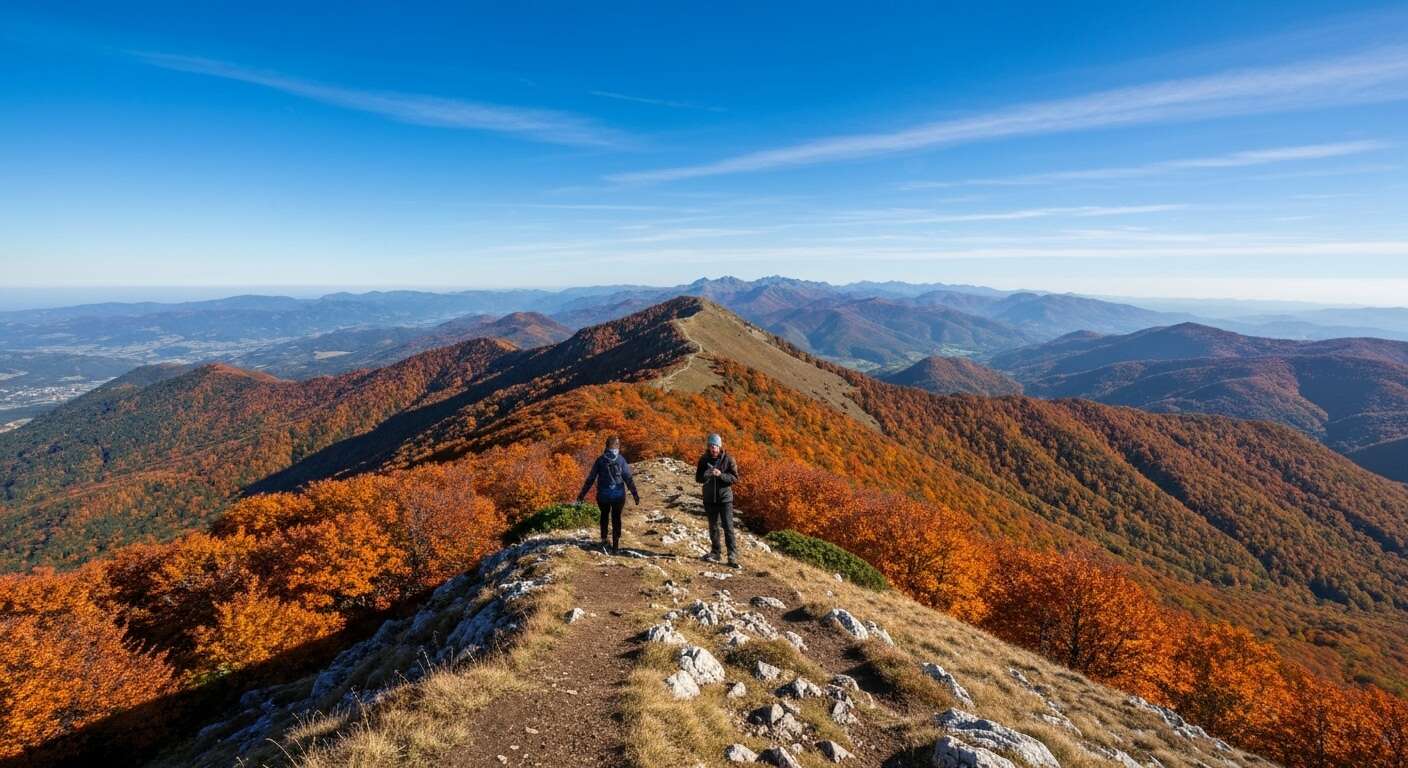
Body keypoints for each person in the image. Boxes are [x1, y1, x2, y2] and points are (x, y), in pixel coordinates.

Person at [577, 436, 640, 553]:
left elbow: (590, 479)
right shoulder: (621, 460)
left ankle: (604, 540)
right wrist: (635, 495)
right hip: (618, 496)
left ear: (606, 446)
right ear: (618, 446)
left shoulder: (600, 460)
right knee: (616, 517)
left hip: (603, 495)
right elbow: (628, 479)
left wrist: (582, 494)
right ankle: (616, 544)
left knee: (604, 515)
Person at [695, 433, 741, 568]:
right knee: (713, 527)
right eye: (710, 446)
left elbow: (735, 478)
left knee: (728, 527)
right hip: (709, 499)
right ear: (708, 447)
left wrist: (721, 475)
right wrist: (706, 475)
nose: (713, 448)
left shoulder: (728, 459)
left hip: (725, 499)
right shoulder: (703, 460)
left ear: (720, 447)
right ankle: (715, 553)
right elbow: (698, 478)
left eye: (715, 446)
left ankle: (732, 556)